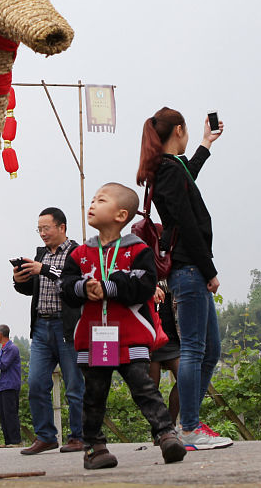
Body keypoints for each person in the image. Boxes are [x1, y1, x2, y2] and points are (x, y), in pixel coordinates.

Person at [60, 183, 187, 469]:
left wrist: (109, 286)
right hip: (94, 338)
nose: (92, 204)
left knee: (143, 387)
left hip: (130, 336)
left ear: (121, 215)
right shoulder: (79, 255)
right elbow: (65, 287)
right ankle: (95, 448)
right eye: (92, 199)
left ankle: (166, 435)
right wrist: (83, 287)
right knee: (94, 393)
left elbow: (144, 284)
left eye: (100, 200)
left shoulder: (137, 250)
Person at [136, 107, 231, 450]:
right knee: (193, 348)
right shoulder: (167, 170)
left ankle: (188, 421)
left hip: (192, 268)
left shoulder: (171, 168)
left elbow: (187, 176)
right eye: (189, 131)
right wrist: (209, 270)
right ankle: (189, 427)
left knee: (210, 349)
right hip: (190, 269)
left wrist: (206, 143)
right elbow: (187, 223)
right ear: (179, 130)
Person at [12, 207, 85, 454]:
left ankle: (79, 436)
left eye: (47, 228)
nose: (42, 233)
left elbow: (71, 283)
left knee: (75, 385)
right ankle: (46, 436)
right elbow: (33, 289)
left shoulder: (77, 253)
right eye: (39, 229)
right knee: (35, 383)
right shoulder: (40, 254)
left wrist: (42, 269)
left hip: (68, 327)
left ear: (62, 227)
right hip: (41, 327)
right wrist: (20, 280)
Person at [147, 281, 180, 425]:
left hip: (173, 337)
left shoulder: (174, 272)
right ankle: (158, 429)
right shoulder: (143, 266)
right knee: (150, 388)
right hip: (150, 339)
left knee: (186, 379)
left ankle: (170, 425)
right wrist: (149, 287)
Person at [0, 325, 23, 447]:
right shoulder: (3, 349)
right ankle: (8, 441)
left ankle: (16, 440)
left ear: (1, 334)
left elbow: (3, 365)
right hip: (2, 386)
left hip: (10, 385)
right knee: (3, 415)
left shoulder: (12, 348)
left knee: (10, 413)